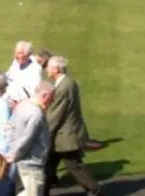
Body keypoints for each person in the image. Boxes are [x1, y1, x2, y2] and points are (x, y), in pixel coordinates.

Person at [43, 57, 100, 196]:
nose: (46, 69)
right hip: (65, 135)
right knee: (48, 167)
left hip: (64, 137)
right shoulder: (67, 82)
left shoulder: (62, 87)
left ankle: (95, 191)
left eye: (49, 67)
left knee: (74, 167)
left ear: (56, 69)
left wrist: (43, 133)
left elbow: (55, 115)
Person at [6, 81, 53, 196]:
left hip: (21, 163)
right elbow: (27, 139)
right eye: (51, 97)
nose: (52, 101)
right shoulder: (36, 113)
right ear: (45, 95)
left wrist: (13, 151)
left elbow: (10, 129)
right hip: (32, 163)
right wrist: (15, 154)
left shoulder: (22, 105)